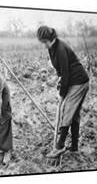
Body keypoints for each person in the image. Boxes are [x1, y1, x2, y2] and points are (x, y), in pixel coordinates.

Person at [36, 26, 89, 158]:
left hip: (79, 81)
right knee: (74, 113)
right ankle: (74, 147)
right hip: (72, 80)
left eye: (44, 42)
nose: (43, 45)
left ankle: (59, 146)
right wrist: (59, 84)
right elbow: (60, 71)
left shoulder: (60, 48)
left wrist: (62, 93)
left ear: (49, 39)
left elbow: (65, 73)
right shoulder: (51, 49)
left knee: (67, 110)